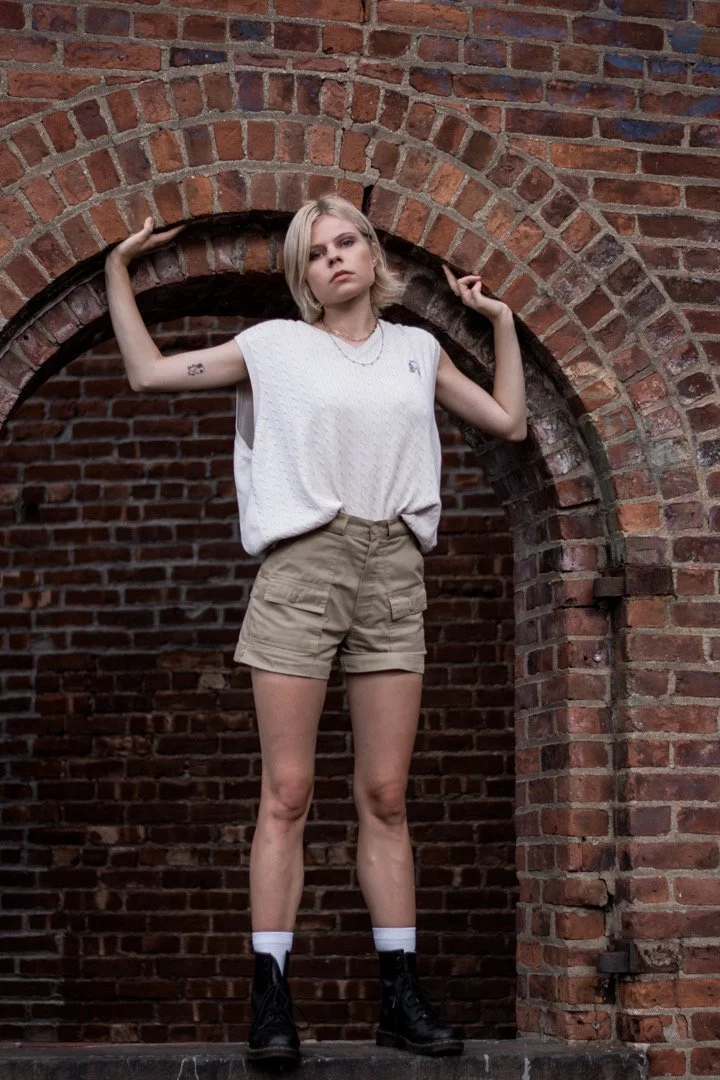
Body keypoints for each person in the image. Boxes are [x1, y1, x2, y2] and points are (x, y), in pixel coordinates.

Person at [105, 195, 527, 1066]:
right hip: (302, 568)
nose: (334, 259)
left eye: (347, 243)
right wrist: (118, 272)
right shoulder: (275, 347)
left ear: (373, 256)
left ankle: (400, 998)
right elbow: (148, 374)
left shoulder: (418, 351)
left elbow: (509, 422)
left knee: (384, 796)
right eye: (315, 253)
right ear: (302, 277)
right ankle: (271, 998)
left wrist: (504, 323)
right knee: (288, 792)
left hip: (394, 572)